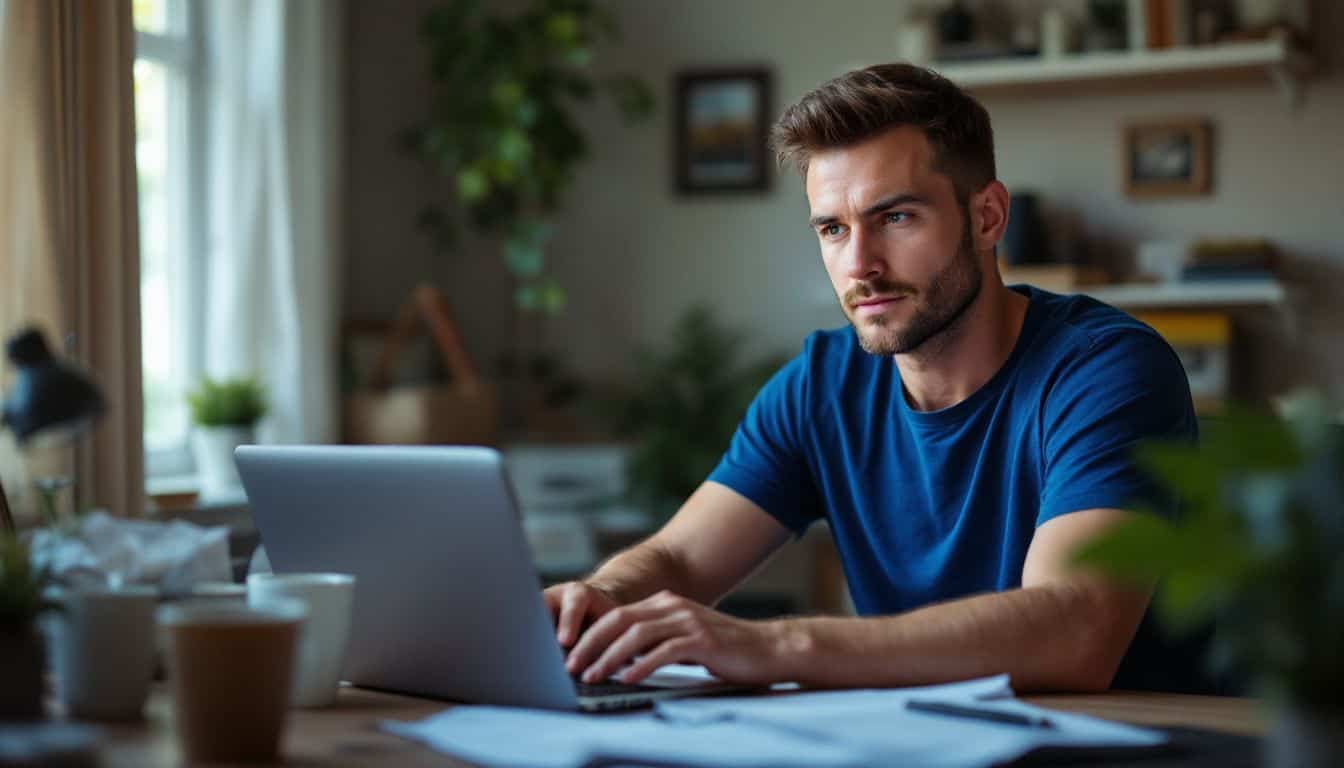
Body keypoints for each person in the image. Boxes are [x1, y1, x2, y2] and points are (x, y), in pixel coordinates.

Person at [546, 63, 1204, 694]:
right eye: (833, 229)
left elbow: (1076, 627)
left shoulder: (1106, 371)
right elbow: (682, 561)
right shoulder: (821, 385)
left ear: (987, 218)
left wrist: (775, 646)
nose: (859, 264)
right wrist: (598, 601)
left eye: (895, 217)